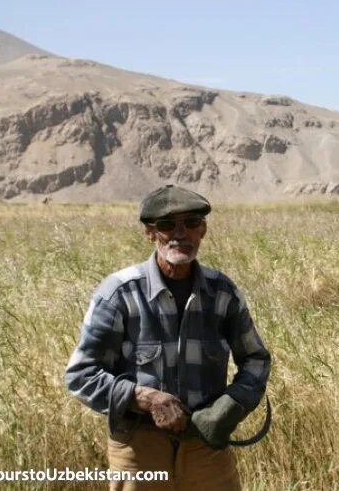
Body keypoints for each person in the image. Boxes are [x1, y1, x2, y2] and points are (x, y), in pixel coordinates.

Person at [65, 184, 271, 490]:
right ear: (150, 232)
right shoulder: (119, 294)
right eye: (166, 225)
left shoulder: (222, 293)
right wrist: (144, 399)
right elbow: (81, 375)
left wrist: (232, 404)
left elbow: (255, 358)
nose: (180, 234)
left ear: (203, 229)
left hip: (206, 445)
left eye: (190, 223)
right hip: (139, 448)